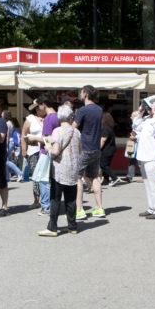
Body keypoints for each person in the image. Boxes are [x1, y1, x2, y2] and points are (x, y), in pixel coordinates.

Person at [38, 104, 82, 236]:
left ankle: (52, 228)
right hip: (73, 169)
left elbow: (55, 151)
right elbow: (80, 150)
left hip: (59, 170)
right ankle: (72, 226)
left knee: (55, 198)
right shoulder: (77, 132)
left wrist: (47, 149)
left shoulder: (57, 131)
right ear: (70, 117)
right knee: (71, 199)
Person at [131, 99, 155, 219]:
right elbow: (136, 126)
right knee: (148, 184)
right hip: (143, 155)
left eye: (149, 107)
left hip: (153, 156)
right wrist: (140, 112)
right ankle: (151, 207)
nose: (148, 109)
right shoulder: (147, 119)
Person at [74, 85, 106, 219]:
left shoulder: (83, 110)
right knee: (94, 177)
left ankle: (79, 209)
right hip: (96, 148)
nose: (80, 95)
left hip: (84, 148)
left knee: (77, 177)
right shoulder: (99, 110)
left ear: (85, 94)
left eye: (81, 92)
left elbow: (73, 128)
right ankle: (99, 208)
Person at [22, 96, 50, 212]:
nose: (39, 109)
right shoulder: (30, 118)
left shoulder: (49, 118)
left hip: (46, 150)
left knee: (46, 176)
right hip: (33, 151)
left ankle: (45, 200)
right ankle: (36, 200)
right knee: (36, 176)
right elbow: (23, 134)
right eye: (37, 108)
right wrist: (24, 149)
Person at [100, 111, 121, 187]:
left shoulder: (105, 129)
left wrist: (99, 148)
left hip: (107, 150)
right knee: (106, 164)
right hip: (110, 149)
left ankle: (114, 177)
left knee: (103, 165)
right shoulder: (110, 128)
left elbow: (103, 139)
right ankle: (106, 180)